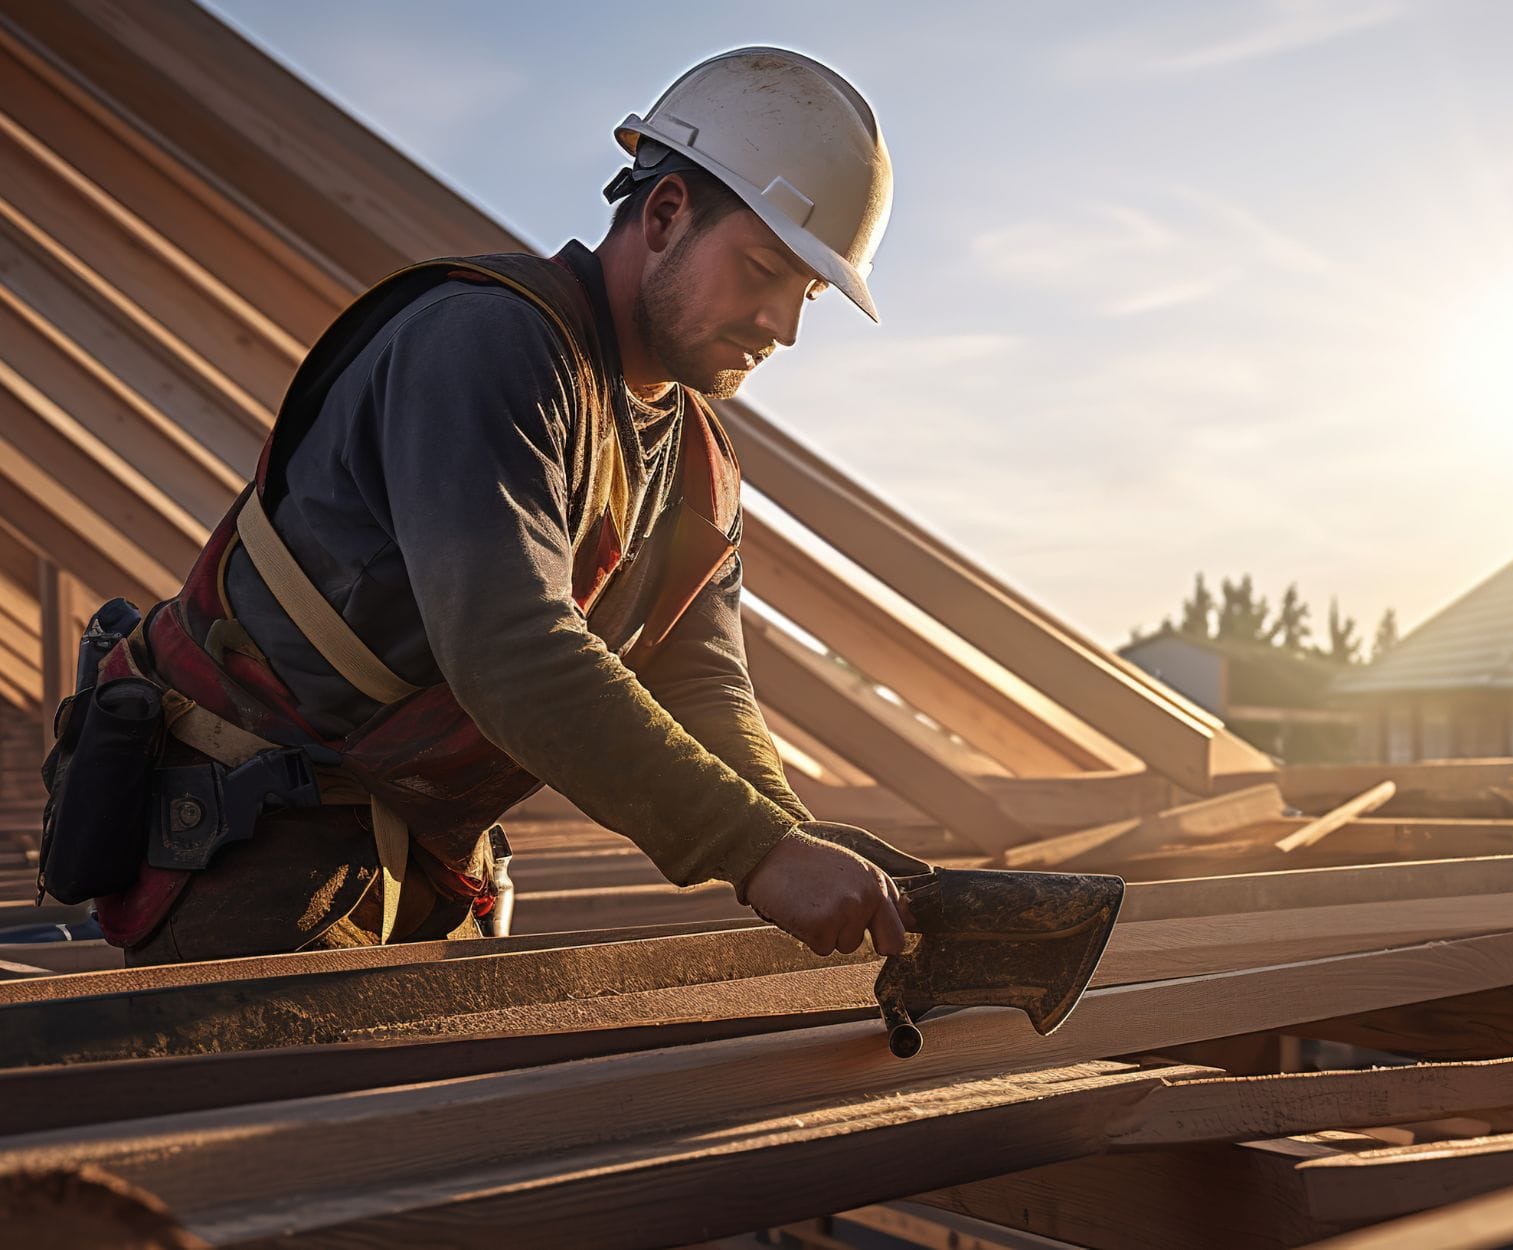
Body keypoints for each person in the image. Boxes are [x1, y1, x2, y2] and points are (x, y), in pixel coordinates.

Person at [85, 46, 911, 966]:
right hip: (256, 841)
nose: (784, 327)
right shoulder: (489, 346)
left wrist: (796, 836)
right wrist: (757, 853)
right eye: (762, 268)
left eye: (805, 292)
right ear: (668, 213)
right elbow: (510, 646)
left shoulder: (700, 461)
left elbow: (701, 684)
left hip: (425, 858)